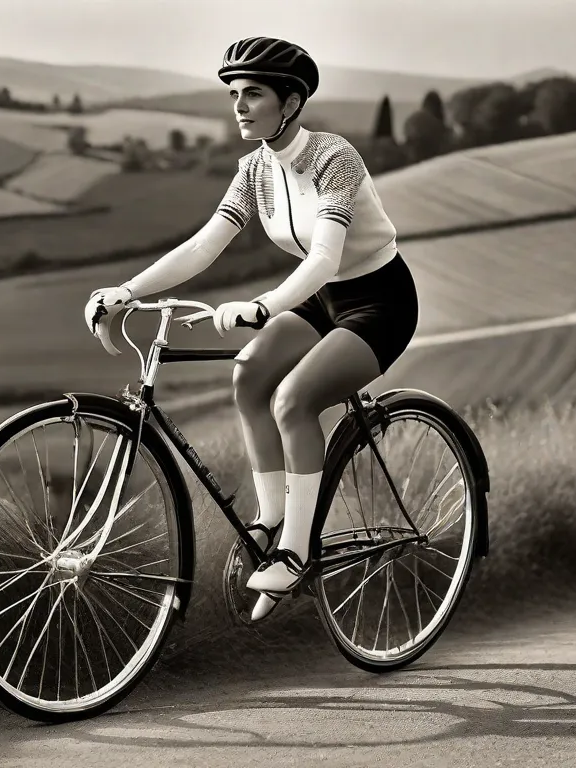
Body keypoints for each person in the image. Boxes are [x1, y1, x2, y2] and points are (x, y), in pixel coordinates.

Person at [84, 36, 420, 620]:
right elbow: (204, 245)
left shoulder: (333, 157)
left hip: (378, 301)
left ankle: (294, 550)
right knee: (248, 376)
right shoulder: (256, 169)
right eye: (234, 95)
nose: (239, 106)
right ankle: (269, 521)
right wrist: (127, 291)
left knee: (293, 400)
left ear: (290, 103)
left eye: (253, 94)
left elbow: (325, 257)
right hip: (319, 302)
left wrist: (263, 305)